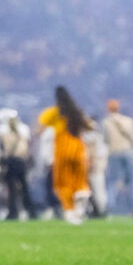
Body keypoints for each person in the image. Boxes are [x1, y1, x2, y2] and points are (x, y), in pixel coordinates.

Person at [40, 88, 91, 223]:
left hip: (63, 150)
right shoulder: (77, 112)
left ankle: (70, 211)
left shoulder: (54, 112)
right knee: (79, 180)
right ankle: (81, 197)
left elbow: (40, 127)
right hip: (78, 150)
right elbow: (88, 127)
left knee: (63, 183)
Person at [98, 99, 133, 217]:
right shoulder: (128, 121)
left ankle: (109, 207)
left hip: (114, 153)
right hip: (128, 152)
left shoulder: (106, 122)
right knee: (131, 182)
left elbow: (105, 139)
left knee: (113, 181)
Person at [0, 108, 33, 220]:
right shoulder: (24, 129)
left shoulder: (2, 130)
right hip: (21, 161)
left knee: (11, 188)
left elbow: (1, 148)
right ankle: (30, 210)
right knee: (24, 187)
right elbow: (27, 146)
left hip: (10, 161)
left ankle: (13, 212)